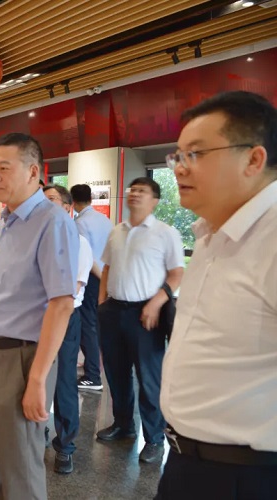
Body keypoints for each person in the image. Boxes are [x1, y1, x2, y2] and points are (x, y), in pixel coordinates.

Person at [157, 91, 277, 499]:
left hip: (246, 476)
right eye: (177, 156)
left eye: (196, 153)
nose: (179, 167)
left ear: (253, 160)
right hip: (188, 463)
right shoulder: (211, 236)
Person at [0, 133, 78, 499]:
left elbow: (61, 304)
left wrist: (37, 379)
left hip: (21, 360)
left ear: (33, 172)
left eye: (4, 168)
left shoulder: (51, 221)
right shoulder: (6, 220)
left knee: (21, 471)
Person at [96, 177, 184, 463]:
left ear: (155, 200)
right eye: (132, 190)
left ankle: (154, 438)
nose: (134, 194)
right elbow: (107, 267)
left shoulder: (165, 233)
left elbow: (177, 274)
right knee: (116, 373)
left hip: (146, 314)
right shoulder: (117, 231)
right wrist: (101, 303)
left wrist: (156, 303)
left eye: (142, 191)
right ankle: (124, 425)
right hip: (113, 311)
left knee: (149, 378)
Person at [43, 184, 93, 475]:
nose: (45, 205)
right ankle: (38, 431)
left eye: (51, 200)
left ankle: (65, 446)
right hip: (35, 316)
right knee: (35, 377)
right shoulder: (38, 238)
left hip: (64, 316)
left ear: (67, 207)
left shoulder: (79, 241)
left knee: (63, 380)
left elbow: (73, 286)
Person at [70, 184, 112, 392]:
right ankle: (94, 368)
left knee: (87, 325)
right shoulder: (105, 220)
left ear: (72, 202)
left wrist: (99, 277)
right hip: (104, 278)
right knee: (95, 325)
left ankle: (93, 375)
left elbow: (88, 257)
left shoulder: (79, 223)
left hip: (91, 277)